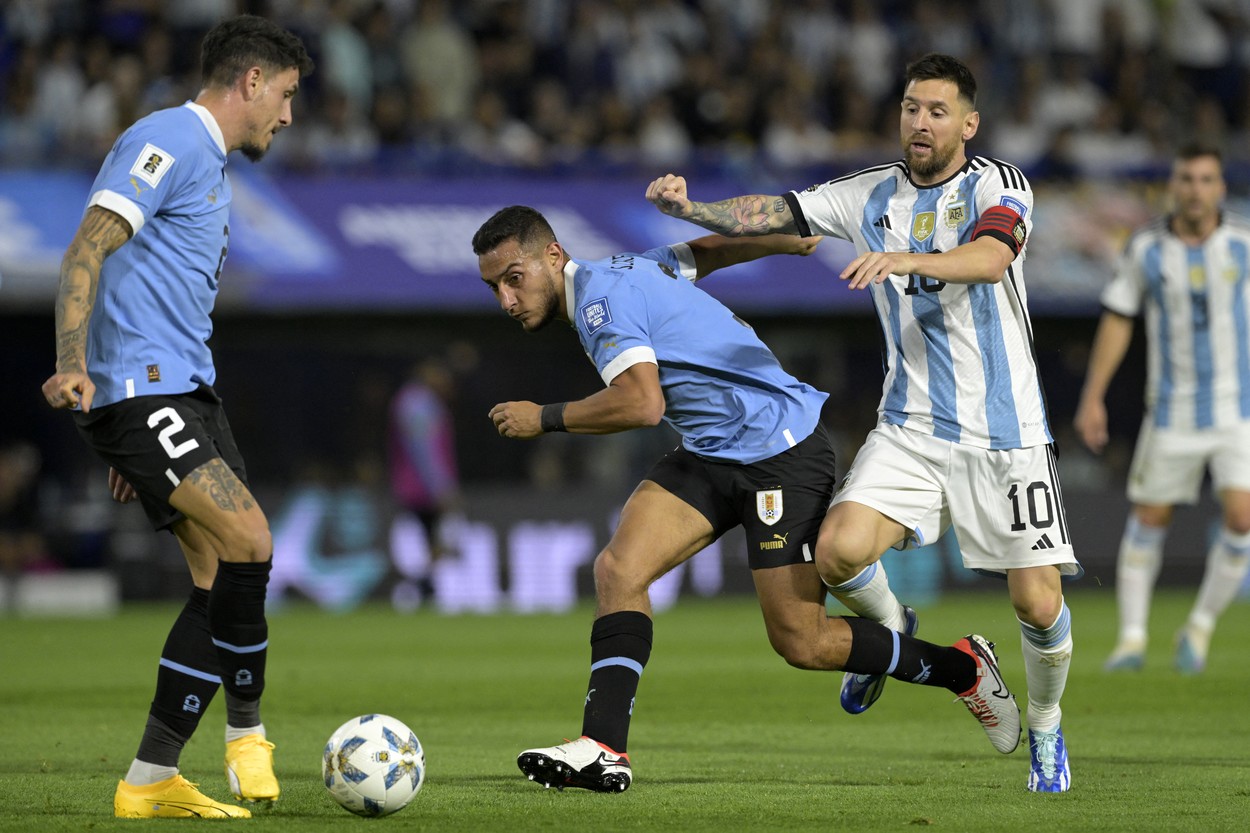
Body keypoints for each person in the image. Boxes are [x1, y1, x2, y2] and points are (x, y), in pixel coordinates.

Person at [473, 204, 1022, 794]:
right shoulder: (622, 269)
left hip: (778, 451)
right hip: (713, 451)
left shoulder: (601, 304)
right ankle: (603, 747)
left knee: (801, 643)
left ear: (553, 256)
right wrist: (777, 242)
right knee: (618, 569)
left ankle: (963, 668)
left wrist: (544, 418)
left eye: (514, 278)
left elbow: (642, 405)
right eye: (494, 287)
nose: (506, 300)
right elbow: (701, 255)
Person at [646, 53, 1080, 793]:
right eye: (912, 107)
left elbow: (989, 255)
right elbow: (775, 213)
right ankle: (897, 633)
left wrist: (903, 256)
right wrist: (694, 211)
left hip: (1006, 433)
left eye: (938, 111)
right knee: (837, 552)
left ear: (968, 124)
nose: (920, 121)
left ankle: (1044, 724)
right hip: (911, 424)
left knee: (1037, 602)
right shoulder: (868, 193)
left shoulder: (998, 184)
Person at [40, 15, 313, 819]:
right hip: (138, 389)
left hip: (185, 392)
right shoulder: (170, 139)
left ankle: (152, 776)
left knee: (216, 579)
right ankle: (247, 735)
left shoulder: (212, 166)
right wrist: (72, 366)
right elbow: (88, 245)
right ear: (251, 82)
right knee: (252, 539)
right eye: (287, 96)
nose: (288, 116)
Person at [1074, 142, 1250, 675]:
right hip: (1170, 410)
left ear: (1220, 188)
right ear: (1172, 186)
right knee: (1151, 516)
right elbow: (1119, 318)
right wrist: (1093, 395)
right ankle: (1131, 640)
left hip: (1235, 409)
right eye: (1186, 179)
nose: (1194, 190)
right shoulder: (1146, 247)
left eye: (1205, 180)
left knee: (1242, 517)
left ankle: (1197, 627)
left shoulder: (1242, 242)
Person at [387, 357, 462, 599]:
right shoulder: (417, 403)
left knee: (434, 539)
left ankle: (425, 586)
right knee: (436, 537)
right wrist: (439, 486)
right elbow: (423, 449)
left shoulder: (417, 401)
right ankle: (420, 586)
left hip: (416, 485)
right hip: (420, 487)